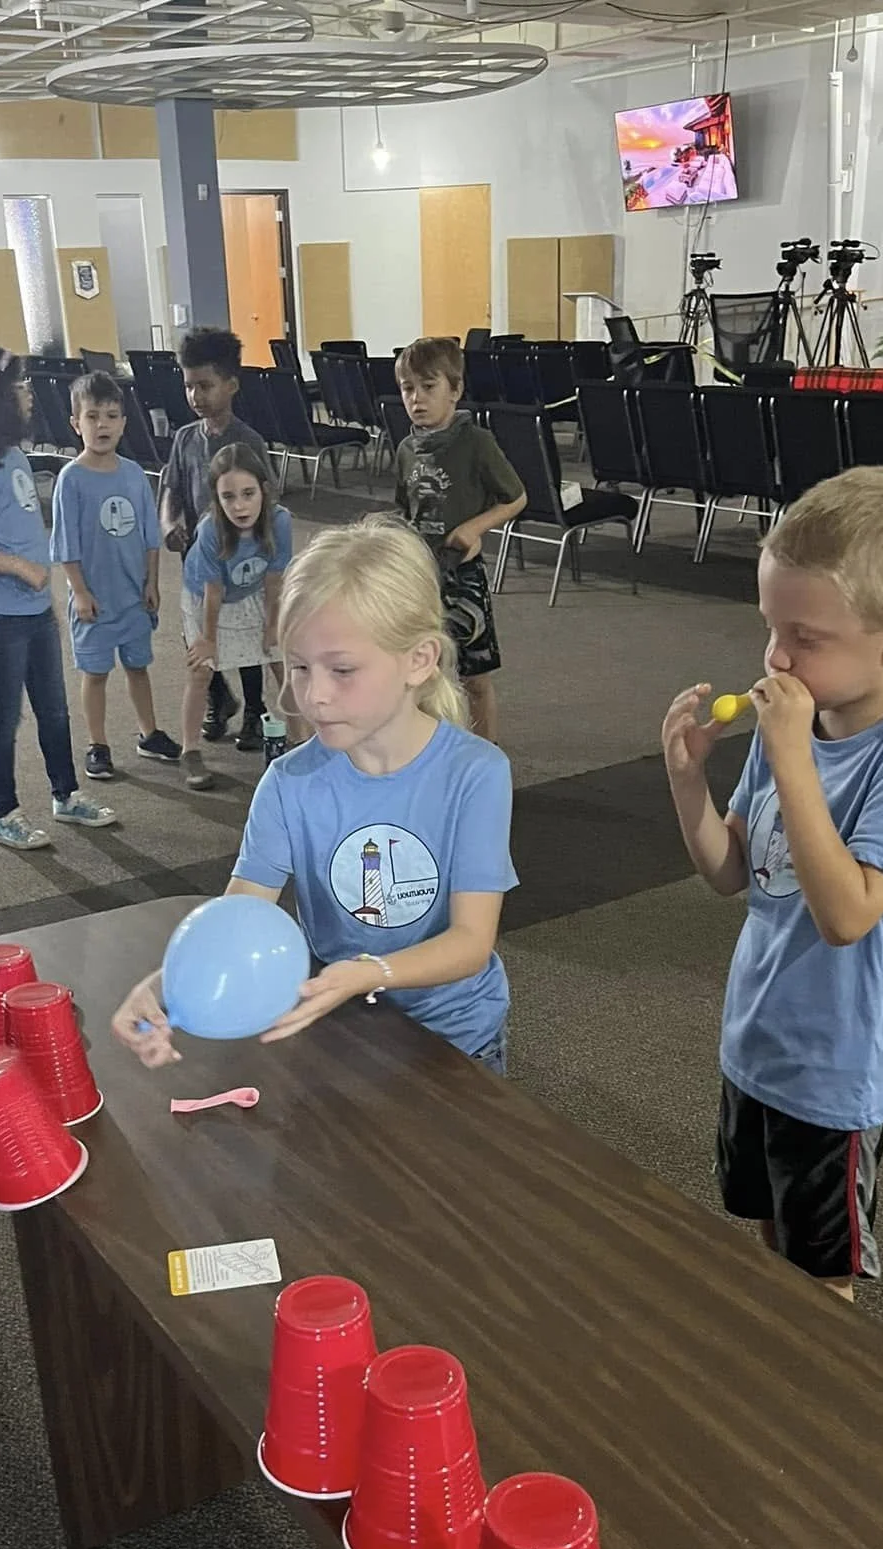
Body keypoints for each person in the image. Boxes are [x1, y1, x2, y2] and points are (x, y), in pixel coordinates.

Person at [662, 466, 883, 1300]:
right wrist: (690, 782)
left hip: (833, 1074)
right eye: (770, 627)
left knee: (823, 1277)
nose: (776, 657)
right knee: (771, 1243)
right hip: (757, 1044)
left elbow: (847, 915)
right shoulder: (790, 722)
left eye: (806, 636)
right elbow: (731, 874)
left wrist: (793, 757)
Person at [113, 517, 516, 1071]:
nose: (313, 696)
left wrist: (370, 972)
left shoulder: (475, 774)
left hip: (453, 1036)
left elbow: (471, 941)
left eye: (342, 670)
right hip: (341, 1024)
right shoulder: (289, 782)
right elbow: (241, 912)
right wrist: (163, 987)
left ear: (418, 660)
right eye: (300, 666)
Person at [0, 341, 116, 849]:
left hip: (34, 610)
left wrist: (39, 583)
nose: (28, 393)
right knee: (5, 715)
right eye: (16, 386)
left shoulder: (9, 453)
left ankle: (66, 794)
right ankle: (4, 812)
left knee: (54, 709)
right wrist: (16, 567)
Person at [394, 335, 527, 744]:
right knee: (417, 673)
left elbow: (517, 497)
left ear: (455, 390)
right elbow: (405, 510)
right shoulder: (406, 449)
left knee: (475, 675)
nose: (417, 398)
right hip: (420, 577)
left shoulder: (476, 443)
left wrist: (474, 528)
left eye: (429, 387)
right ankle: (422, 752)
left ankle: (485, 756)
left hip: (463, 574)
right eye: (408, 388)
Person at [49, 369, 178, 781]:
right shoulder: (71, 479)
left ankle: (149, 733)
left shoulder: (134, 474)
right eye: (92, 416)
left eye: (110, 416)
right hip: (95, 600)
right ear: (76, 423)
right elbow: (65, 546)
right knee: (96, 672)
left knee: (138, 666)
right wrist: (80, 593)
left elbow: (150, 536)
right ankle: (97, 744)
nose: (101, 424)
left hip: (133, 596)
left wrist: (152, 582)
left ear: (123, 422)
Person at [159, 326, 278, 753]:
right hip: (197, 561)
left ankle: (254, 710)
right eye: (189, 386)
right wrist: (168, 521)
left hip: (242, 563)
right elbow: (171, 488)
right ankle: (218, 697)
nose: (196, 396)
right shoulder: (185, 439)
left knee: (243, 636)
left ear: (231, 385)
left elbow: (268, 500)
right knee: (198, 637)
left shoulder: (249, 441)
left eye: (205, 386)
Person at [180, 444, 293, 791]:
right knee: (202, 671)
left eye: (248, 494)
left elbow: (276, 577)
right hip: (206, 598)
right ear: (217, 498)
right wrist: (208, 640)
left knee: (282, 660)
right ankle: (190, 750)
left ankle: (305, 743)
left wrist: (274, 625)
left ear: (264, 489)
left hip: (255, 590)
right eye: (228, 497)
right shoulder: (212, 530)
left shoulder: (280, 521)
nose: (240, 506)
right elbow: (213, 591)